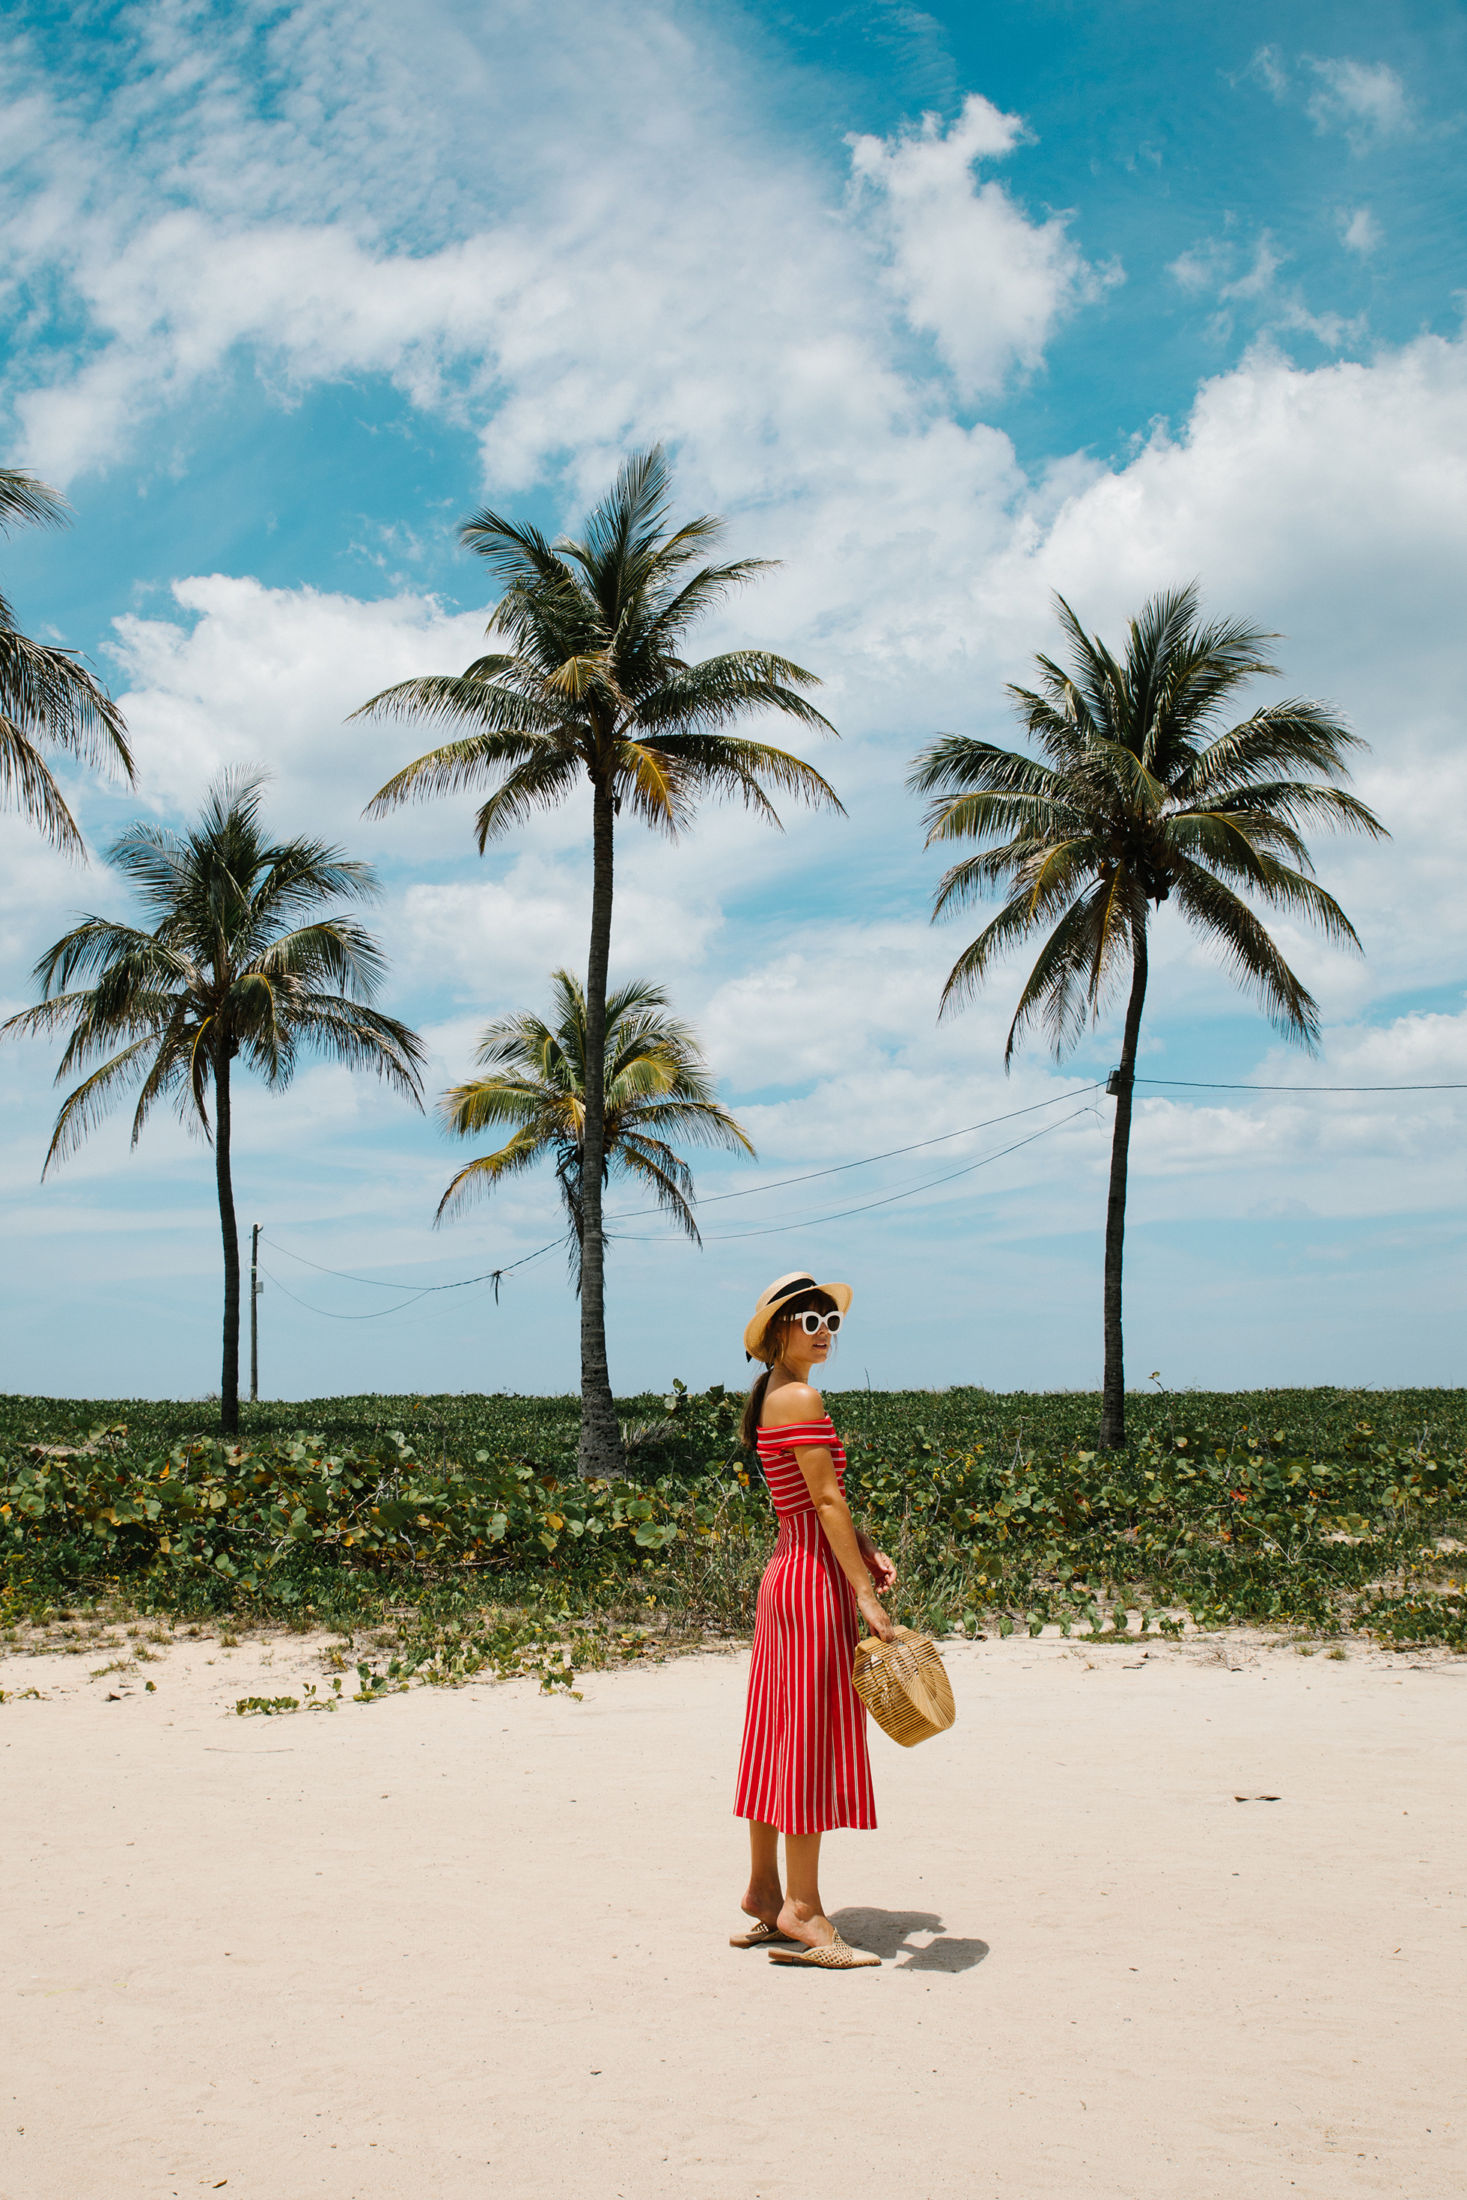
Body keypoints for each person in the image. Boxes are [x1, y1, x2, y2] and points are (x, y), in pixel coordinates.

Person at [731, 1270, 897, 1970]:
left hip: (787, 1573)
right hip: (809, 1584)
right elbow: (825, 1501)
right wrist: (863, 1593)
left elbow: (811, 1500)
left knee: (777, 1733)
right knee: (807, 1739)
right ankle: (801, 1910)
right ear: (775, 1334)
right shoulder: (798, 1394)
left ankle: (765, 1893)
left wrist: (859, 1548)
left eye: (830, 1321)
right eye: (809, 1322)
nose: (823, 1331)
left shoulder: (772, 1395)